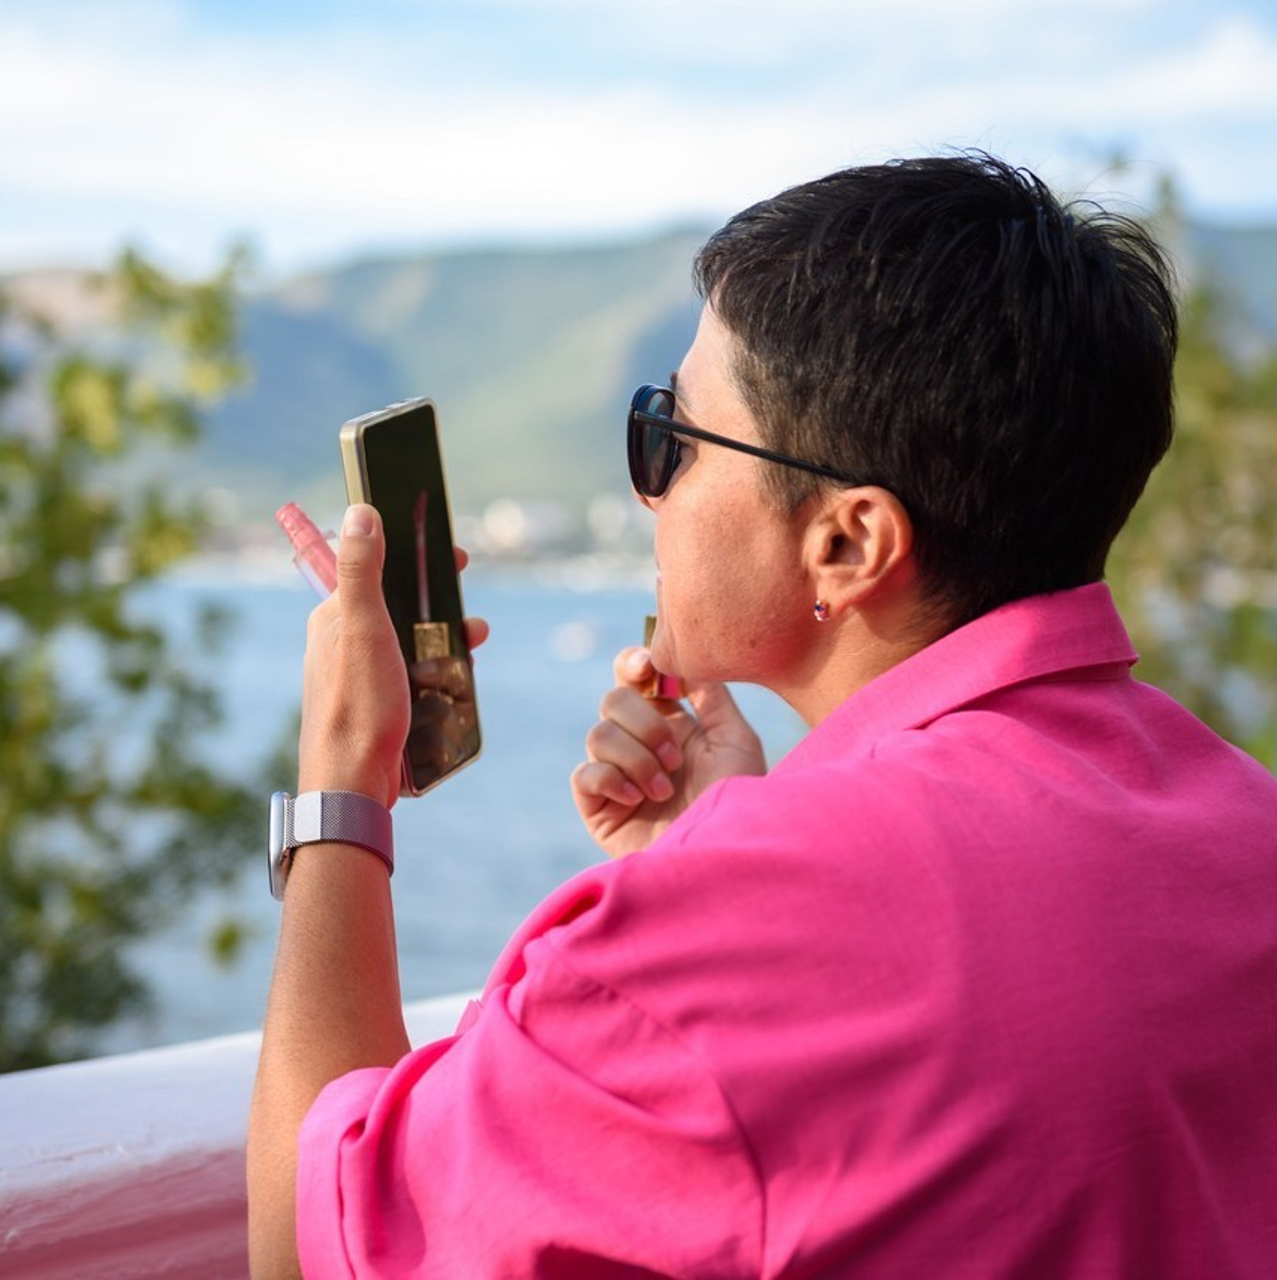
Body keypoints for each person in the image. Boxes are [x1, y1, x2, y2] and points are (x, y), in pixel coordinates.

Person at [247, 154, 1277, 1278]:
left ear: (847, 540)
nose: (648, 487)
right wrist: (723, 840)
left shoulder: (739, 929)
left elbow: (307, 1241)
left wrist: (341, 778)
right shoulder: (1239, 818)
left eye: (669, 437)